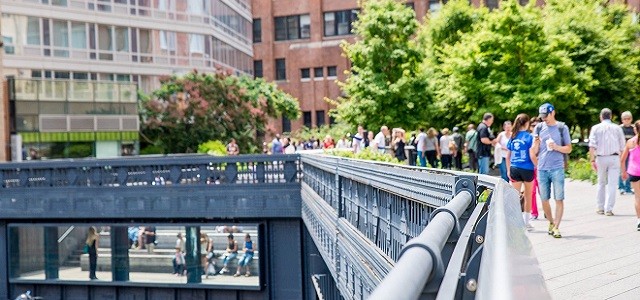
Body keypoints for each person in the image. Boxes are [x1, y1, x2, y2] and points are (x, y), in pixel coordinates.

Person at [533, 103, 572, 238]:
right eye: (542, 116)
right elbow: (535, 151)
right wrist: (536, 144)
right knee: (544, 199)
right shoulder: (538, 128)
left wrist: (556, 147)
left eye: (546, 116)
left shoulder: (562, 128)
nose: (544, 119)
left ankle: (556, 226)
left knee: (559, 198)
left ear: (553, 113)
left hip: (557, 168)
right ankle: (551, 222)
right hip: (542, 168)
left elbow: (569, 148)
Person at [589, 108, 626, 216]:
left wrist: (592, 160)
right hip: (614, 158)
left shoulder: (595, 128)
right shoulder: (617, 128)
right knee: (612, 184)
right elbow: (622, 146)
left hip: (600, 157)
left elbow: (592, 145)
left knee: (601, 182)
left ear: (601, 116)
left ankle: (600, 207)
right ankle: (609, 208)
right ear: (610, 116)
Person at [506, 114, 537, 230]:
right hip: (527, 168)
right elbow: (531, 153)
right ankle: (526, 222)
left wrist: (508, 170)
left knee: (515, 196)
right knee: (528, 196)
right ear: (526, 123)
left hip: (514, 167)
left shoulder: (513, 137)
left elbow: (508, 156)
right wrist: (537, 165)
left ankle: (513, 222)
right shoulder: (530, 137)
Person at [620, 120, 640, 230]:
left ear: (635, 129)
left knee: (638, 197)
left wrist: (623, 172)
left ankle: (639, 221)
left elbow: (622, 159)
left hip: (634, 172)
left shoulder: (630, 142)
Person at [529, 117, 542, 219]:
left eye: (537, 126)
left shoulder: (544, 137)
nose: (535, 128)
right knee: (532, 191)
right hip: (530, 167)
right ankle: (534, 212)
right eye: (533, 126)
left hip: (541, 166)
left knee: (543, 190)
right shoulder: (528, 138)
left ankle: (547, 210)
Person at [620, 111, 635, 195]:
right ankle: (621, 187)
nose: (626, 120)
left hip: (631, 151)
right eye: (625, 119)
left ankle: (628, 187)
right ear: (622, 120)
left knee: (629, 169)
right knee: (621, 169)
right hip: (622, 151)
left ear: (631, 119)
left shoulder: (633, 128)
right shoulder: (620, 128)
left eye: (628, 119)